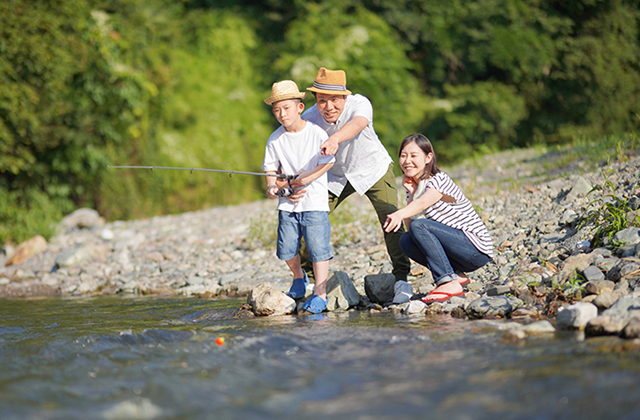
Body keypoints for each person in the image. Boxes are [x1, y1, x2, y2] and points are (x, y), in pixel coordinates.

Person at [281, 67, 412, 304]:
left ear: (344, 97)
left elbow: (359, 123)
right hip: (334, 177)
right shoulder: (309, 118)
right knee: (306, 220)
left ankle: (402, 278)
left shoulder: (359, 104)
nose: (329, 106)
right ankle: (308, 279)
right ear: (316, 101)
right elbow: (286, 137)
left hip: (372, 169)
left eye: (334, 100)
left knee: (391, 219)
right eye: (322, 101)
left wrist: (334, 139)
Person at [383, 134, 493, 303]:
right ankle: (455, 275)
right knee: (406, 240)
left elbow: (422, 204)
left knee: (420, 226)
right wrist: (411, 194)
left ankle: (448, 282)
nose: (407, 161)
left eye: (413, 156)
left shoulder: (439, 179)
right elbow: (411, 226)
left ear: (428, 158)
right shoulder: (415, 186)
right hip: (458, 251)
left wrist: (399, 213)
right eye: (403, 155)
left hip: (475, 249)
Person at [262, 80, 336, 314]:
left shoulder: (316, 133)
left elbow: (328, 162)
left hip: (314, 203)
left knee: (318, 249)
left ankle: (320, 294)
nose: (281, 114)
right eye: (276, 110)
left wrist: (306, 178)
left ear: (300, 107)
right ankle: (298, 277)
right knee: (286, 248)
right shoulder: (275, 139)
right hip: (287, 205)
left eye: (286, 108)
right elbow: (270, 169)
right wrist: (273, 187)